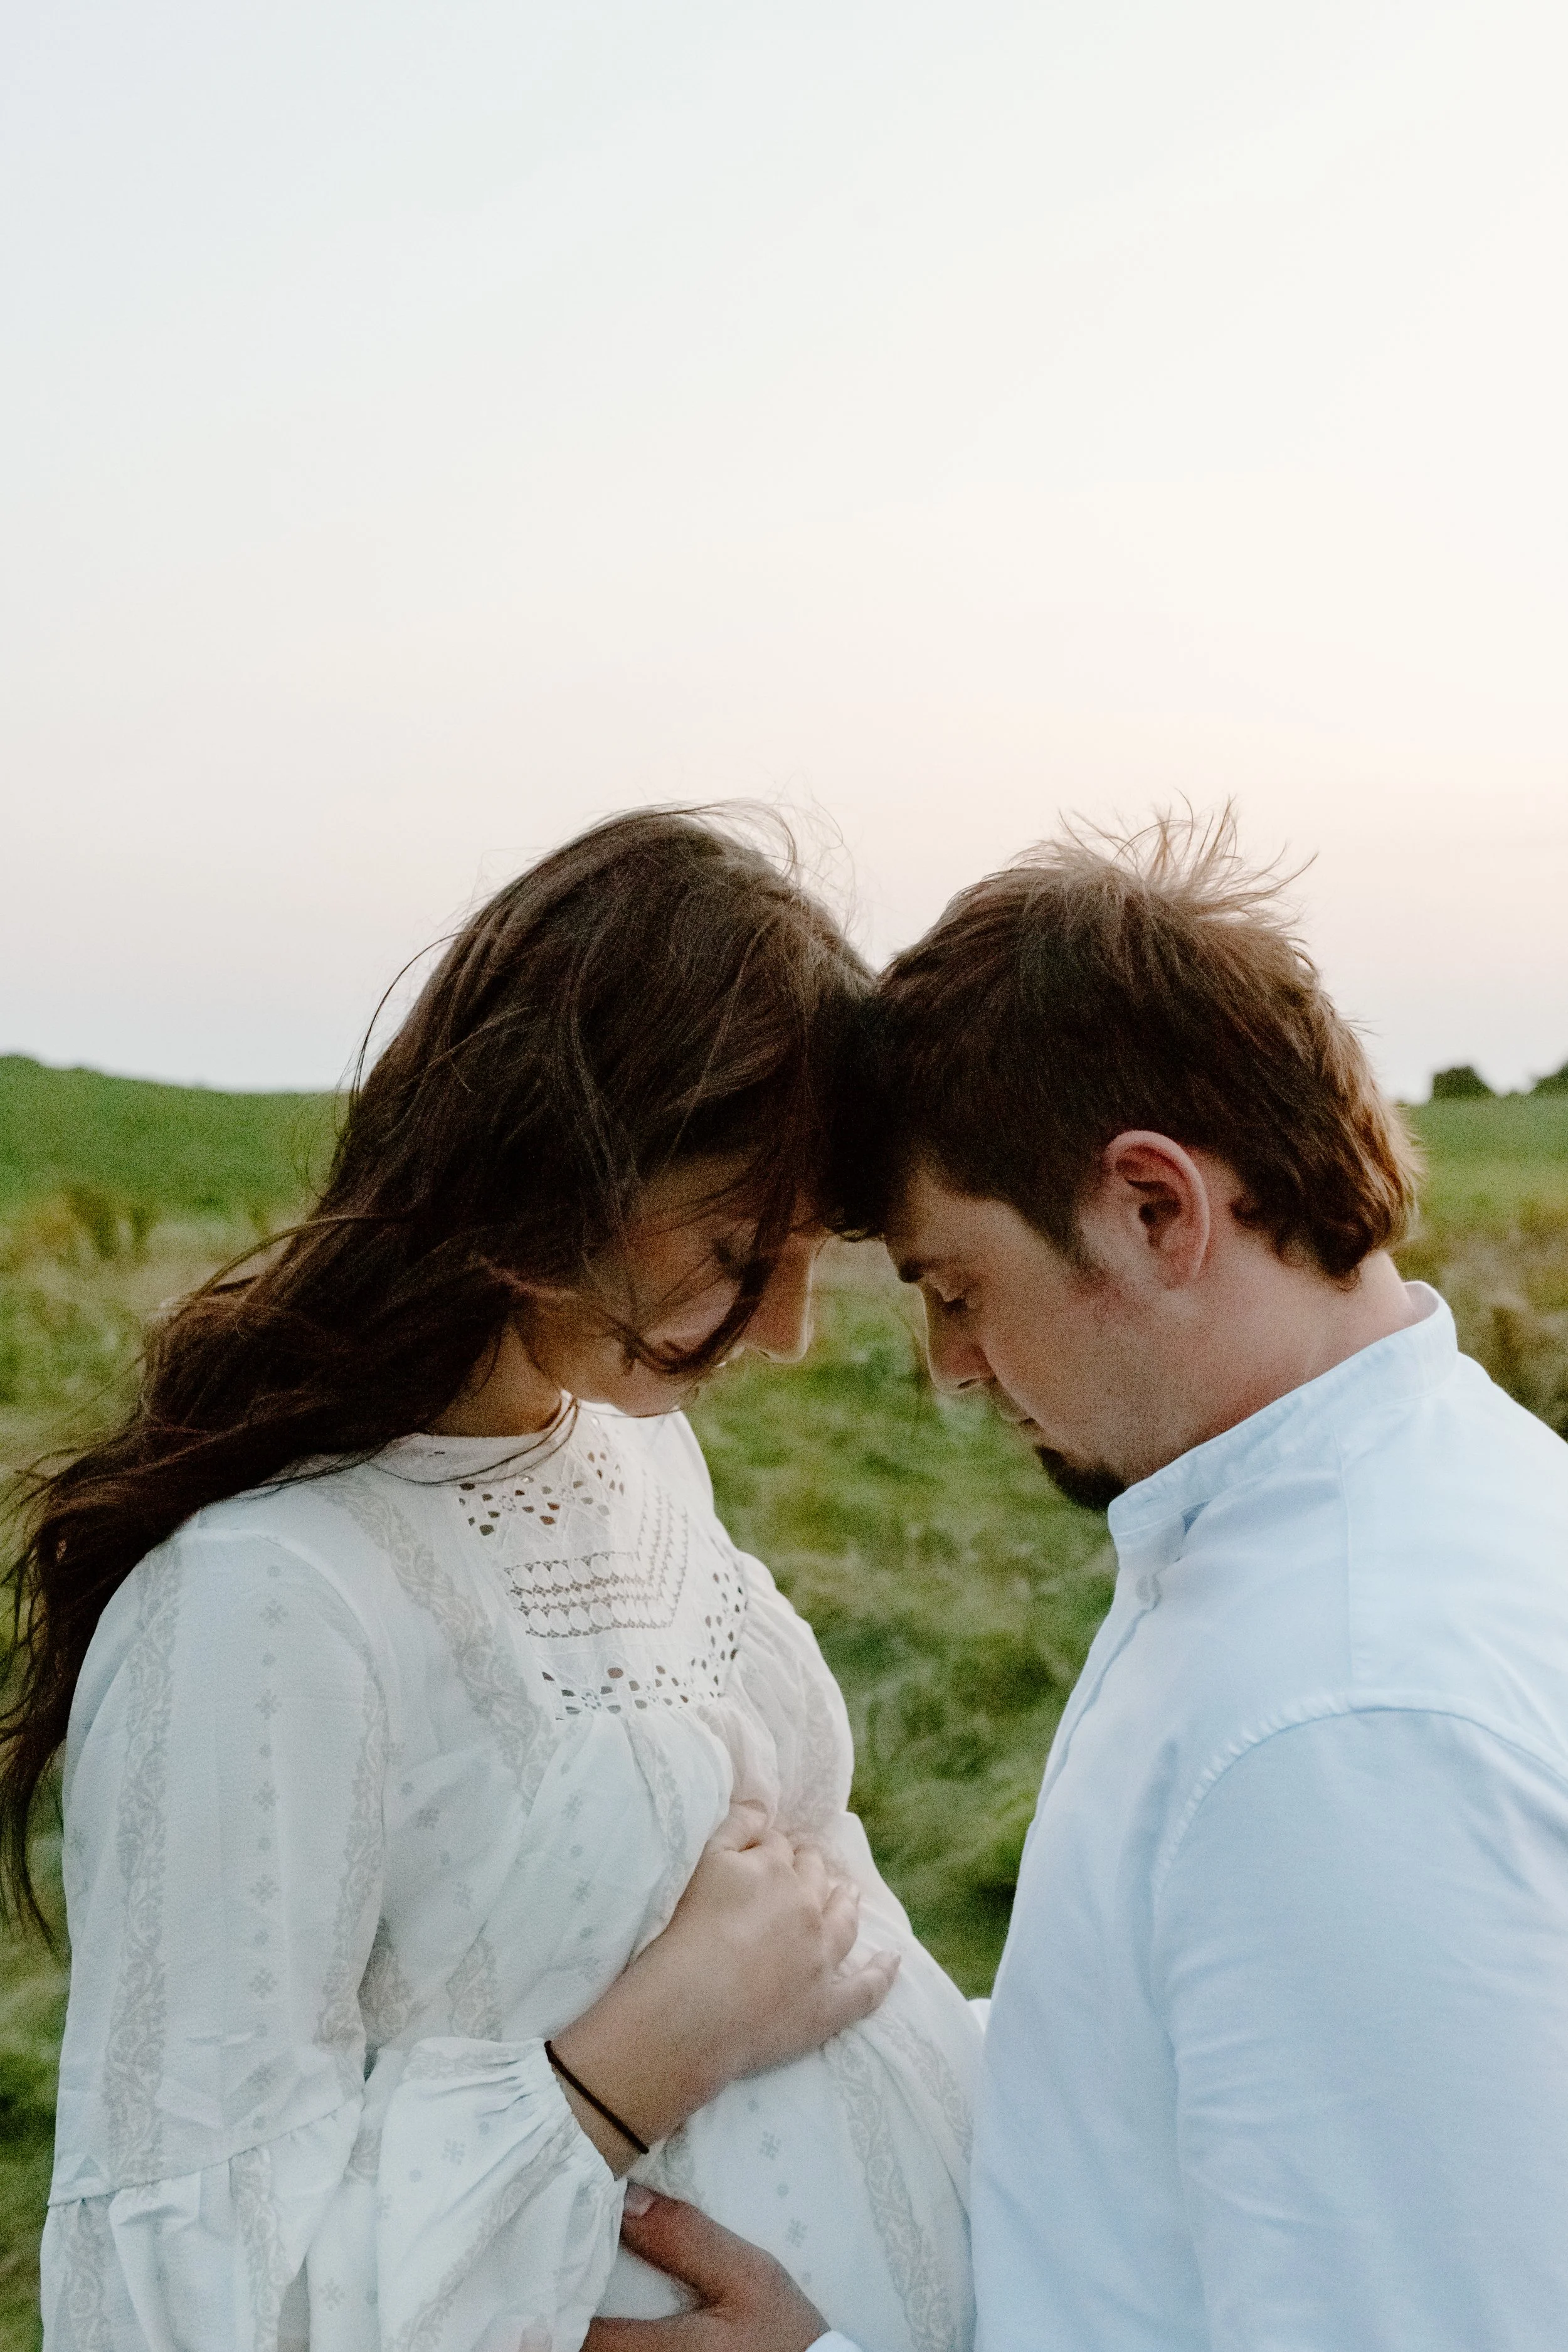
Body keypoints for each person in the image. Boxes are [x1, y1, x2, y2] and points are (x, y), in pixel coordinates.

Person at [3, 811, 981, 2352]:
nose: (786, 1332)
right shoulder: (259, 1610)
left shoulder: (634, 1454)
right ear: (557, 1173)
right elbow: (189, 2301)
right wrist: (647, 2051)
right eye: (743, 1249)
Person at [596, 813, 1568, 2352]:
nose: (954, 1368)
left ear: (1152, 1208)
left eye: (959, 1289)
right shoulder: (1332, 1532)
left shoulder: (1332, 1728)